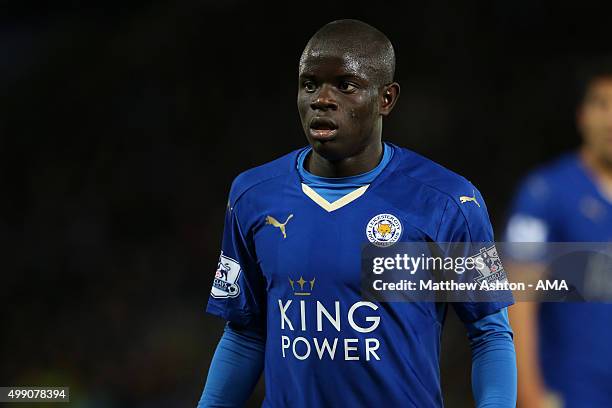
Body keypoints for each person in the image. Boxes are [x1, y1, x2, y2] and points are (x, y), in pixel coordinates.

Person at [198, 19, 516, 407]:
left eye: (345, 86)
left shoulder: (448, 202)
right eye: (310, 84)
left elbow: (489, 332)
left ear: (386, 98)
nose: (322, 99)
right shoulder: (253, 195)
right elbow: (245, 332)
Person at [505, 61, 612, 407]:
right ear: (582, 114)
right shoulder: (546, 191)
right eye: (602, 104)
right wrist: (529, 394)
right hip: (574, 391)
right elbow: (518, 292)